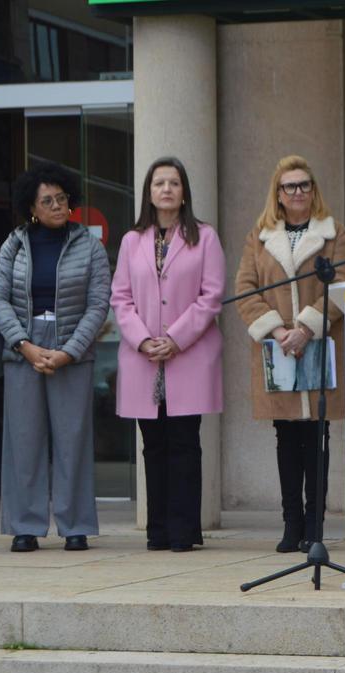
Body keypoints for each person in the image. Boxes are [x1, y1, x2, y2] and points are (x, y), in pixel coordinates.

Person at [0, 161, 110, 553]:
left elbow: (98, 304)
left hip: (71, 347)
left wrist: (68, 352)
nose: (58, 206)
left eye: (62, 198)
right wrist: (23, 344)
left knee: (73, 439)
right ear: (32, 208)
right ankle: (25, 526)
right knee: (24, 439)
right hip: (24, 347)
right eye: (47, 201)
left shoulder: (89, 245)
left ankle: (76, 526)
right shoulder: (14, 244)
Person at [235, 155, 345, 553]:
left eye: (304, 184)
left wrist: (306, 328)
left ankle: (315, 527)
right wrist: (280, 331)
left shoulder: (335, 233)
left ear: (313, 190)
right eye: (290, 186)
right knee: (286, 439)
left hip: (318, 345)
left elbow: (342, 283)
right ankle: (291, 524)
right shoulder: (260, 235)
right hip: (277, 349)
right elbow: (246, 288)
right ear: (279, 194)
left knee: (316, 439)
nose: (298, 192)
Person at [112, 157, 225, 553]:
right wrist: (143, 340)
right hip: (143, 358)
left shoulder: (204, 237)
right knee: (152, 446)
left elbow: (211, 297)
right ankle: (157, 529)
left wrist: (176, 338)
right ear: (149, 192)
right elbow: (121, 299)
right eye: (159, 183)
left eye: (173, 183)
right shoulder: (132, 240)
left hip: (187, 355)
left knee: (184, 445)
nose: (166, 189)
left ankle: (184, 531)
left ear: (184, 192)